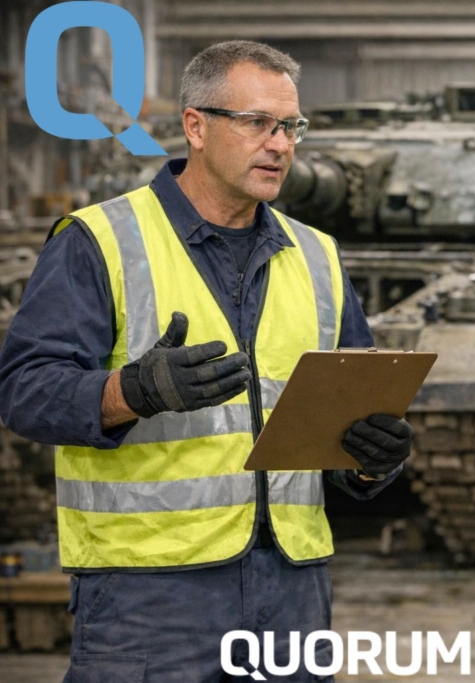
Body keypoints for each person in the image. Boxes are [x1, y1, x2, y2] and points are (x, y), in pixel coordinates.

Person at [0, 41, 413, 682]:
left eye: (290, 127)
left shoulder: (318, 257)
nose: (280, 144)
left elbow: (341, 417)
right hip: (148, 596)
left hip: (291, 590)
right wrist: (132, 391)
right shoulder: (100, 241)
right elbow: (24, 390)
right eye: (257, 124)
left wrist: (369, 460)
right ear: (196, 126)